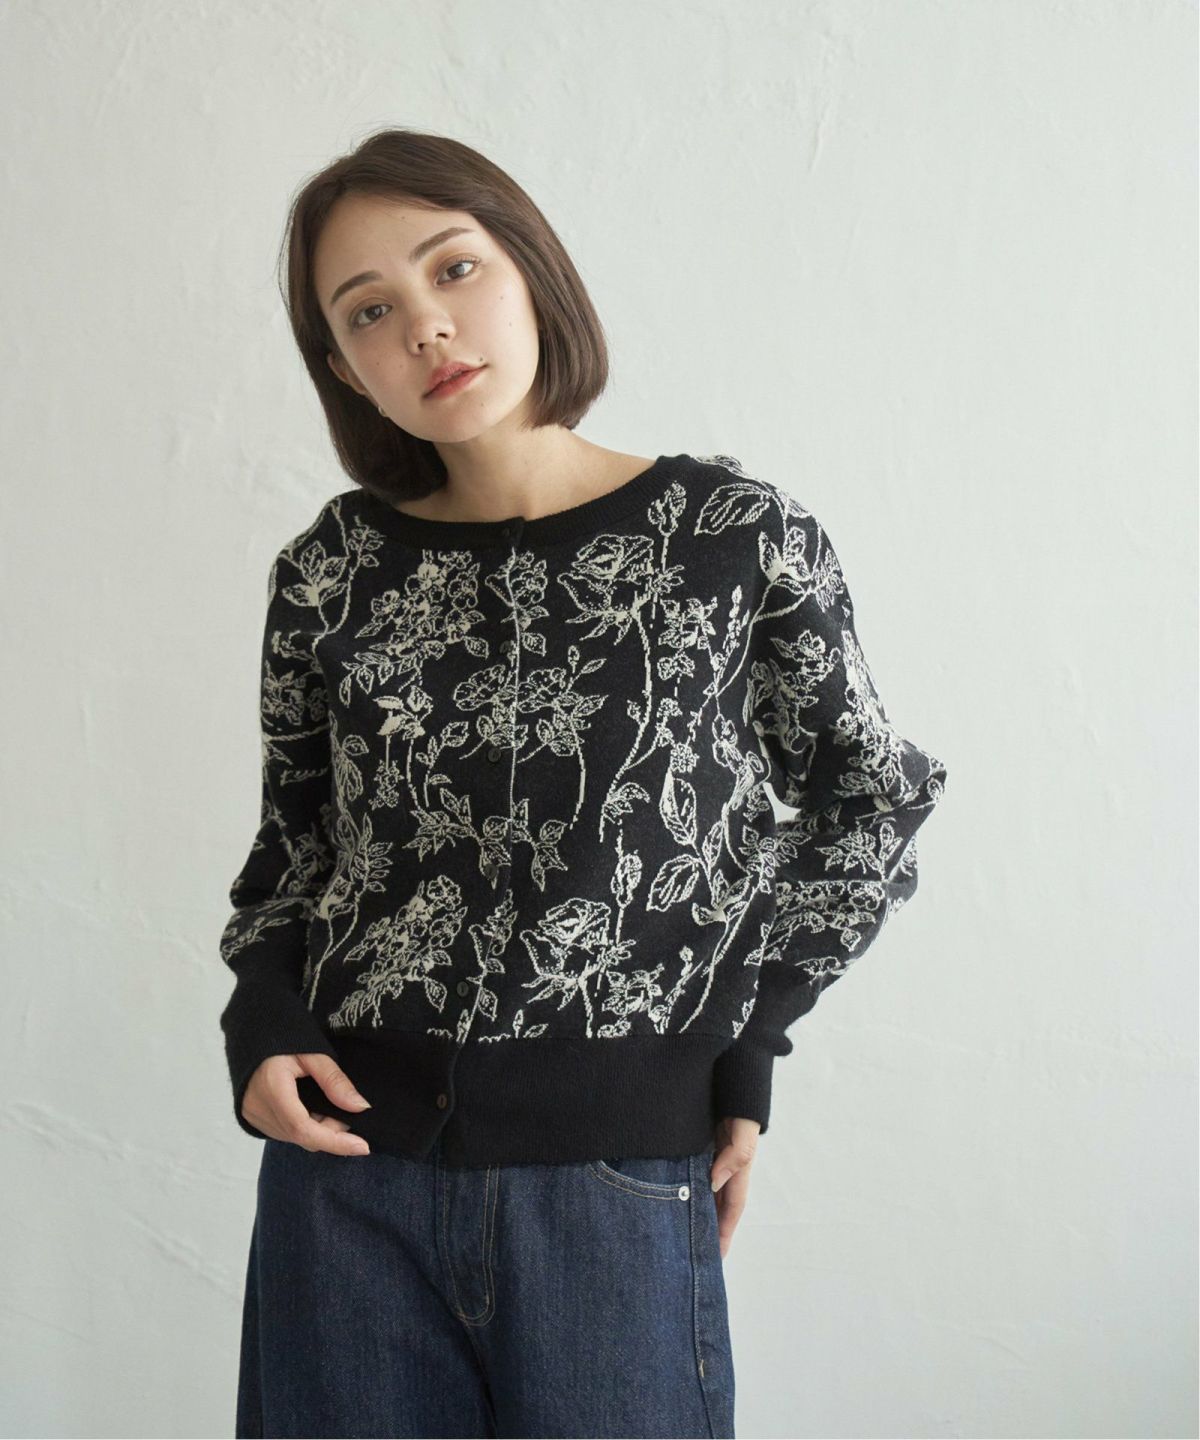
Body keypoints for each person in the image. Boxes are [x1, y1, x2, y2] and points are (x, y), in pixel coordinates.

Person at [219, 126, 948, 1440]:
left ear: (531, 270)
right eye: (370, 311)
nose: (426, 327)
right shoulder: (330, 574)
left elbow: (868, 802)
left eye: (454, 268)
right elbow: (296, 848)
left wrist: (748, 1039)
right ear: (343, 367)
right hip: (345, 1184)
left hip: (614, 1183)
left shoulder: (732, 539)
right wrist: (261, 1025)